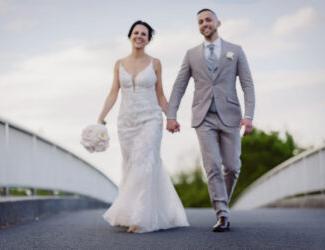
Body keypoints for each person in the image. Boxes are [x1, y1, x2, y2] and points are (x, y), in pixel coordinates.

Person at [166, 9, 255, 232]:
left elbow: (247, 84)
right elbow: (179, 86)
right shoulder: (191, 54)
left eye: (208, 20)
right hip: (203, 116)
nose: (204, 24)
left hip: (231, 116)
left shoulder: (235, 51)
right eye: (200, 22)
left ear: (218, 22)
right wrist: (171, 115)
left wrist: (248, 115)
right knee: (213, 166)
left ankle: (221, 200)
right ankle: (222, 213)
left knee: (233, 166)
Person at [98, 20, 189, 233]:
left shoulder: (155, 63)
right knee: (131, 166)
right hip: (126, 122)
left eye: (144, 34)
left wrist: (171, 117)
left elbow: (160, 95)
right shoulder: (119, 64)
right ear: (130, 36)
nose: (139, 36)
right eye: (136, 32)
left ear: (148, 39)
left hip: (151, 120)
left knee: (145, 162)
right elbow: (113, 93)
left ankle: (140, 218)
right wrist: (100, 118)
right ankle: (131, 212)